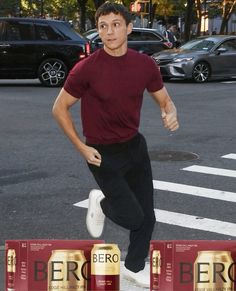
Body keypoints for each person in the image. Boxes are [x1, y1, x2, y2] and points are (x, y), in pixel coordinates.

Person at [52, 1, 179, 288]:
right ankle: (100, 200)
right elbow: (59, 108)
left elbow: (165, 100)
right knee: (133, 217)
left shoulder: (145, 64)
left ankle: (134, 266)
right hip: (101, 152)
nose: (109, 32)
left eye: (116, 25)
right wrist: (81, 148)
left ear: (129, 28)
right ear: (98, 31)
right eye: (103, 26)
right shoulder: (86, 69)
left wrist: (170, 113)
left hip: (134, 147)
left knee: (148, 218)